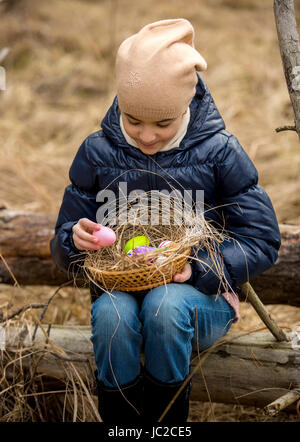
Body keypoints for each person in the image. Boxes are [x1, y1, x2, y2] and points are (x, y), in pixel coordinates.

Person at [50, 19, 281, 423]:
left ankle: (166, 426)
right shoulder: (97, 153)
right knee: (112, 314)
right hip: (120, 296)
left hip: (200, 302)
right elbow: (64, 244)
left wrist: (198, 268)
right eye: (133, 119)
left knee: (163, 306)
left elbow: (262, 239)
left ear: (186, 106)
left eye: (162, 123)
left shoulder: (218, 152)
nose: (147, 136)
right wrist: (74, 241)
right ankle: (121, 426)